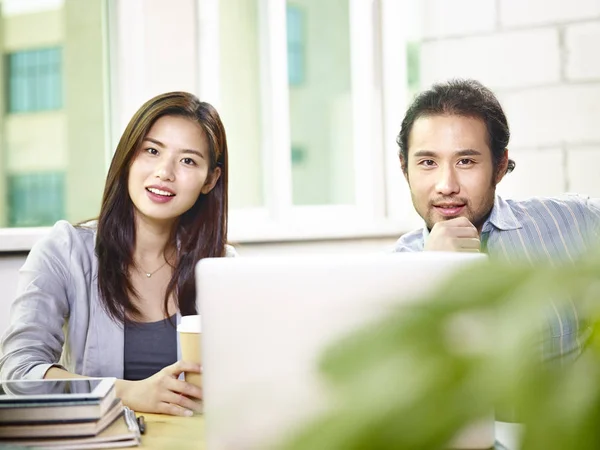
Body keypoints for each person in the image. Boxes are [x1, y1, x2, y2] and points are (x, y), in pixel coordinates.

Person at [0, 91, 235, 416]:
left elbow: (249, 379)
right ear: (128, 158)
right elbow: (18, 372)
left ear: (210, 180)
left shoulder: (221, 267)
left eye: (188, 161)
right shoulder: (65, 251)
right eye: (152, 151)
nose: (165, 172)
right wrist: (126, 393)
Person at [392, 79, 600, 361]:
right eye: (428, 163)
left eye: (465, 161)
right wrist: (431, 272)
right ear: (405, 169)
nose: (446, 185)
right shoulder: (390, 274)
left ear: (500, 167)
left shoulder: (575, 222)